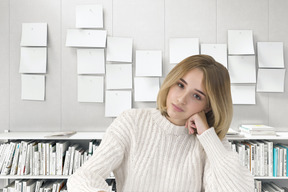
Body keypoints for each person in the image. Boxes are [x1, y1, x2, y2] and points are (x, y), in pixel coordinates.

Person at [67, 55, 254, 192]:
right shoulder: (132, 122)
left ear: (208, 106)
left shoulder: (212, 144)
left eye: (196, 96)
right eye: (180, 85)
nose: (181, 99)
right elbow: (82, 178)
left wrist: (207, 135)